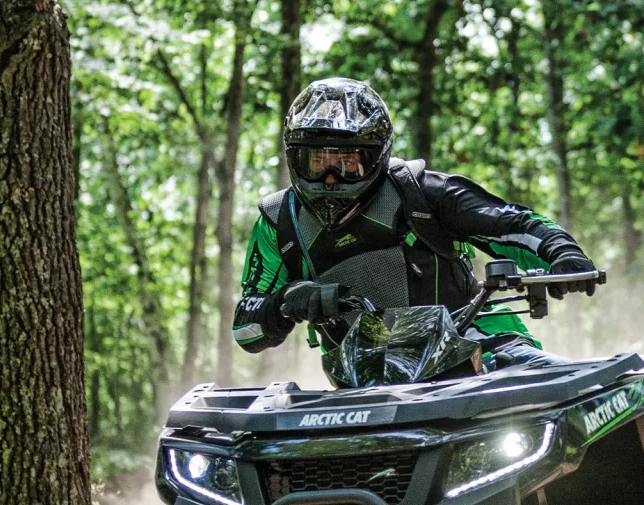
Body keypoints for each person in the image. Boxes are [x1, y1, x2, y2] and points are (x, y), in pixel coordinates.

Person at [232, 77, 597, 370]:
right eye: (318, 162)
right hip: (367, 375)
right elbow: (246, 330)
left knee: (552, 383)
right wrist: (283, 302)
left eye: (346, 163)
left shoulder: (422, 191)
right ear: (295, 158)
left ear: (377, 156)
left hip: (478, 343)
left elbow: (512, 224)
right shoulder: (278, 221)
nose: (331, 178)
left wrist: (561, 253)